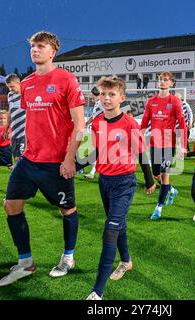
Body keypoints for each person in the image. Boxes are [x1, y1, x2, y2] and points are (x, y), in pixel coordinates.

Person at [0, 31, 86, 287]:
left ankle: (68, 257)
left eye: (41, 46)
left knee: (66, 209)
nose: (35, 50)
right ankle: (26, 262)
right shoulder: (26, 83)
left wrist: (70, 160)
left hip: (56, 162)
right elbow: (30, 119)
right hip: (29, 159)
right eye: (33, 46)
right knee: (11, 205)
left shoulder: (67, 80)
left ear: (52, 51)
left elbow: (80, 124)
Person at [79, 76, 155, 300]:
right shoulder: (97, 123)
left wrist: (149, 180)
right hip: (104, 182)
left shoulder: (130, 124)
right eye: (103, 94)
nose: (107, 98)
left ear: (122, 97)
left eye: (112, 94)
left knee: (110, 230)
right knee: (118, 224)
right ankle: (126, 261)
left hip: (125, 182)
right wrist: (73, 165)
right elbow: (95, 152)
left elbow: (141, 152)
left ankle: (97, 291)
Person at [140, 71, 187, 221]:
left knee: (165, 175)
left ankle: (158, 208)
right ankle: (171, 191)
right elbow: (145, 121)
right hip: (154, 142)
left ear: (171, 83)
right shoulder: (151, 101)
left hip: (168, 143)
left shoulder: (175, 101)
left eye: (166, 80)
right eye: (161, 79)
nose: (162, 81)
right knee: (156, 175)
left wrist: (183, 145)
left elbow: (182, 124)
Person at [5, 74, 26, 163]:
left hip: (24, 134)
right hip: (14, 134)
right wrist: (6, 129)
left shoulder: (26, 94)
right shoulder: (10, 95)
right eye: (8, 87)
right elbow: (10, 112)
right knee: (16, 159)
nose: (10, 89)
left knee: (22, 160)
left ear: (19, 83)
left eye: (12, 86)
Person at [84, 87, 103, 181]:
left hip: (102, 130)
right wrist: (87, 123)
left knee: (98, 151)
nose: (91, 97)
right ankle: (93, 172)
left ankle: (94, 171)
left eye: (91, 94)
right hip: (96, 129)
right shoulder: (97, 104)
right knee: (96, 151)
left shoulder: (102, 102)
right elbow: (93, 116)